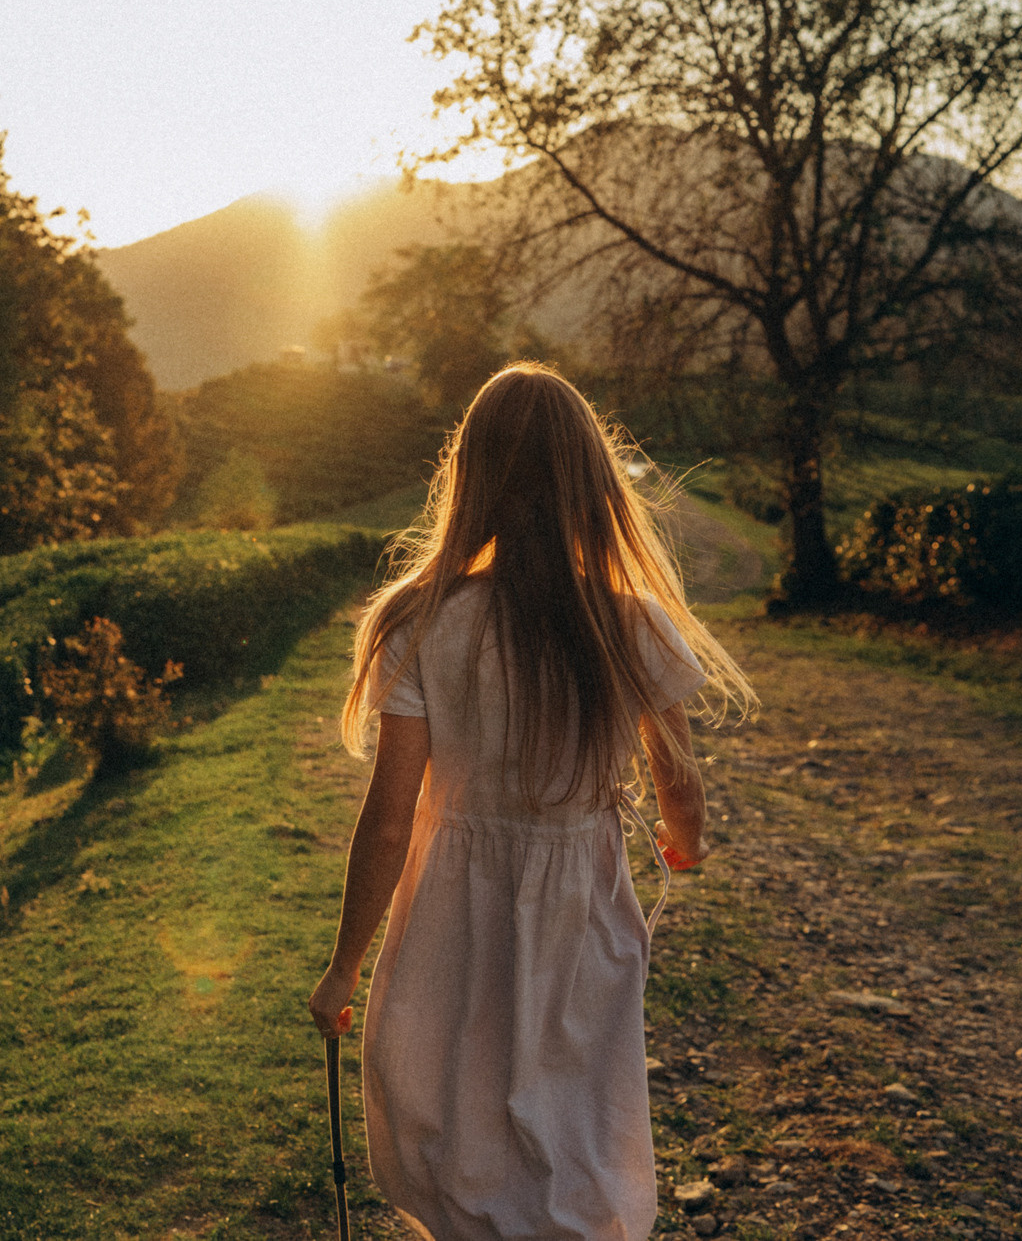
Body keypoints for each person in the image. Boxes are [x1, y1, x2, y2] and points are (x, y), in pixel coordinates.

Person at [307, 363, 755, 1241]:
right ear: (591, 485)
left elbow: (390, 814)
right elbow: (681, 782)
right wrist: (682, 845)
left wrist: (344, 963)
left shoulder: (419, 619)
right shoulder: (627, 621)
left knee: (453, 1099)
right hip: (578, 897)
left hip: (449, 898)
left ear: (469, 478)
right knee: (574, 1104)